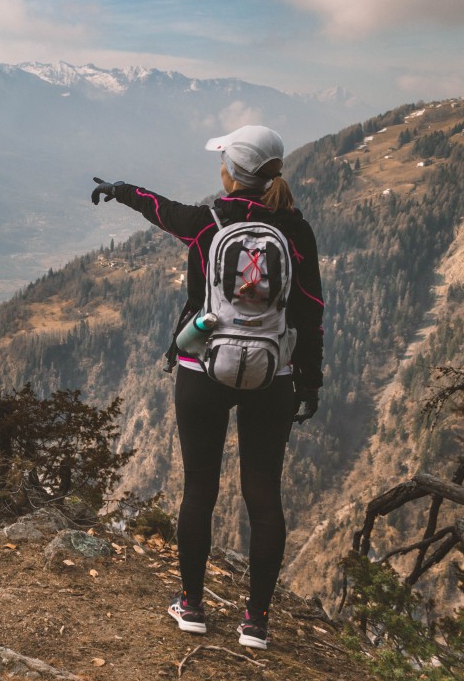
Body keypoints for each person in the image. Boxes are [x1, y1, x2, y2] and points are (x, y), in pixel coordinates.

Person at [90, 125, 324, 650]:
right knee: (264, 497)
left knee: (200, 490)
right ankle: (256, 623)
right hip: (273, 374)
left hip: (202, 367)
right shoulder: (295, 230)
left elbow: (159, 209)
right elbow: (312, 310)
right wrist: (310, 378)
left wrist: (120, 189)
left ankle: (192, 607)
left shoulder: (207, 222)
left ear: (232, 170)